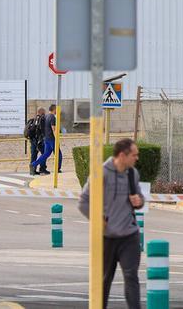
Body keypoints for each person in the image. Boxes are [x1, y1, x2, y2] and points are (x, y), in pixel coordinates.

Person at [78, 138, 144, 309]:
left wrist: (139, 201)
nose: (136, 158)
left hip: (130, 236)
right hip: (106, 238)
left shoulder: (132, 174)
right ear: (122, 155)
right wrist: (98, 219)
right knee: (104, 280)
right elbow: (83, 202)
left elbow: (139, 197)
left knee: (131, 276)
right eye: (134, 155)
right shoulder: (101, 173)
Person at [32, 104, 62, 175]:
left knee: (46, 154)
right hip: (52, 139)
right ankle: (57, 168)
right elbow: (54, 129)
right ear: (55, 109)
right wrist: (57, 139)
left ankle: (33, 164)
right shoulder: (52, 117)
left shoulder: (46, 116)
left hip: (46, 138)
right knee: (58, 154)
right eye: (57, 110)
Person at [24, 109, 45, 175]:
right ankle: (42, 169)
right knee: (44, 154)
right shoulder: (42, 120)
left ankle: (32, 170)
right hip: (39, 141)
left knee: (33, 155)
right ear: (42, 113)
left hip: (32, 140)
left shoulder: (31, 120)